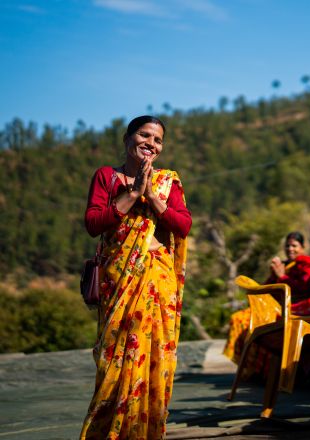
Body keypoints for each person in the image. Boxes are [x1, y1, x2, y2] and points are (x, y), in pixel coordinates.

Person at [81, 116, 191, 439]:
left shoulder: (168, 182)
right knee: (115, 360)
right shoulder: (106, 176)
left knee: (156, 357)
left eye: (158, 140)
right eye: (145, 135)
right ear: (127, 139)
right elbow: (93, 223)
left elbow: (183, 226)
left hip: (158, 278)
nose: (151, 144)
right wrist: (133, 194)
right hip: (120, 281)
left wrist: (152, 196)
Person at [223, 232, 310, 377]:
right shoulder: (283, 265)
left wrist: (282, 277)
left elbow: (305, 287)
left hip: (294, 308)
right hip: (274, 306)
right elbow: (268, 287)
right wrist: (274, 275)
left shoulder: (307, 263)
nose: (290, 249)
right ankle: (254, 368)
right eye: (287, 246)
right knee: (238, 318)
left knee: (252, 322)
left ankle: (264, 371)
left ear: (303, 247)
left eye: (294, 245)